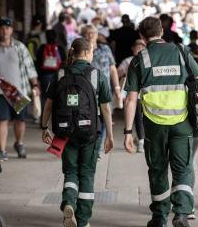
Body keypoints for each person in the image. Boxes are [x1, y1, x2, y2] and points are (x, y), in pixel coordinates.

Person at [124, 16, 198, 227]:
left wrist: (128, 132)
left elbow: (131, 99)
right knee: (183, 168)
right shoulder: (181, 51)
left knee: (158, 169)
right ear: (162, 31)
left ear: (141, 35)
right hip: (182, 121)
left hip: (154, 124)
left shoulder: (139, 59)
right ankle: (182, 214)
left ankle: (159, 218)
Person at [41, 38, 114, 227]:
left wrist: (44, 127)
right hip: (90, 132)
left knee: (71, 171)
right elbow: (106, 108)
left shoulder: (60, 74)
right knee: (87, 173)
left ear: (73, 53)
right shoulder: (97, 75)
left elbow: (48, 105)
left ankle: (68, 202)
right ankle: (82, 221)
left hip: (65, 133)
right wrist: (111, 136)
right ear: (88, 53)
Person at [0, 17, 40, 161]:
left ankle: (19, 143)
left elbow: (30, 68)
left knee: (19, 121)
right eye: (2, 28)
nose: (5, 30)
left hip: (18, 91)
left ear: (12, 30)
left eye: (7, 28)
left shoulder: (20, 47)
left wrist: (35, 85)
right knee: (2, 120)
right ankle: (2, 150)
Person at [81, 25, 121, 156]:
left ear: (97, 35)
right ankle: (89, 145)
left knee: (104, 119)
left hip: (104, 90)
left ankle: (97, 147)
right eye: (87, 33)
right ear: (83, 35)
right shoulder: (80, 51)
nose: (91, 35)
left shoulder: (105, 49)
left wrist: (117, 88)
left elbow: (113, 68)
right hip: (86, 91)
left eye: (93, 33)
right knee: (89, 119)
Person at [117, 39, 146, 153]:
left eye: (142, 47)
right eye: (137, 47)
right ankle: (140, 140)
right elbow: (117, 73)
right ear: (133, 48)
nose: (139, 49)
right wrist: (123, 72)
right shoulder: (127, 60)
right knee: (136, 118)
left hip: (143, 93)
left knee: (140, 119)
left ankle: (141, 140)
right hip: (130, 93)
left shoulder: (147, 60)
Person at [35, 29, 67, 108]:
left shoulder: (42, 48)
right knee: (58, 96)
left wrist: (38, 78)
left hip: (45, 76)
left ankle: (44, 117)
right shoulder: (60, 48)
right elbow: (64, 62)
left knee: (45, 97)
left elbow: (38, 63)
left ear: (46, 37)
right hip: (58, 75)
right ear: (56, 37)